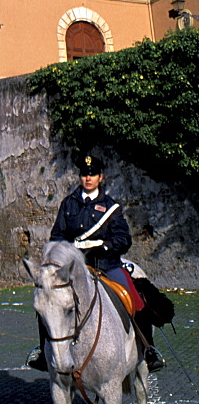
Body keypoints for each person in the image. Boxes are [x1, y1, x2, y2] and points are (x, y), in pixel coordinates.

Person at [26, 155, 165, 373]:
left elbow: (123, 239)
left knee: (133, 297)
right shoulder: (69, 203)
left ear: (101, 177)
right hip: (74, 269)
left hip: (106, 265)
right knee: (47, 299)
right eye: (84, 174)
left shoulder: (111, 207)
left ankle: (148, 349)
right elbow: (56, 237)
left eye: (92, 174)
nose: (88, 178)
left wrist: (102, 245)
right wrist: (67, 250)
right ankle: (44, 353)